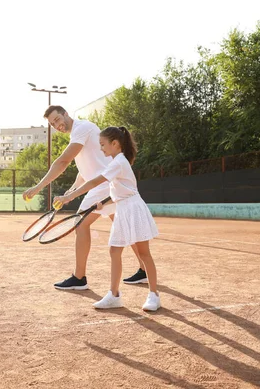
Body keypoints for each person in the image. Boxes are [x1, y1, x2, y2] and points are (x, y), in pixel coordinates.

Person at [22, 106, 146, 290]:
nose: (57, 125)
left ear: (66, 114)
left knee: (81, 224)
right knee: (124, 227)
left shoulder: (82, 128)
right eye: (52, 124)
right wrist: (70, 192)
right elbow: (84, 171)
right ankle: (143, 270)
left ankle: (79, 277)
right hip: (106, 184)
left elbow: (63, 162)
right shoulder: (79, 134)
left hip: (104, 185)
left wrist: (38, 187)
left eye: (57, 119)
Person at [53, 126, 160, 311]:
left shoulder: (118, 162)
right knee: (114, 251)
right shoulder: (116, 162)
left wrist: (68, 196)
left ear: (115, 144)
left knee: (144, 253)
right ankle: (114, 295)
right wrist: (104, 202)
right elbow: (119, 189)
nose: (101, 149)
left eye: (103, 145)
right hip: (122, 209)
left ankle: (154, 295)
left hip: (133, 209)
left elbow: (95, 182)